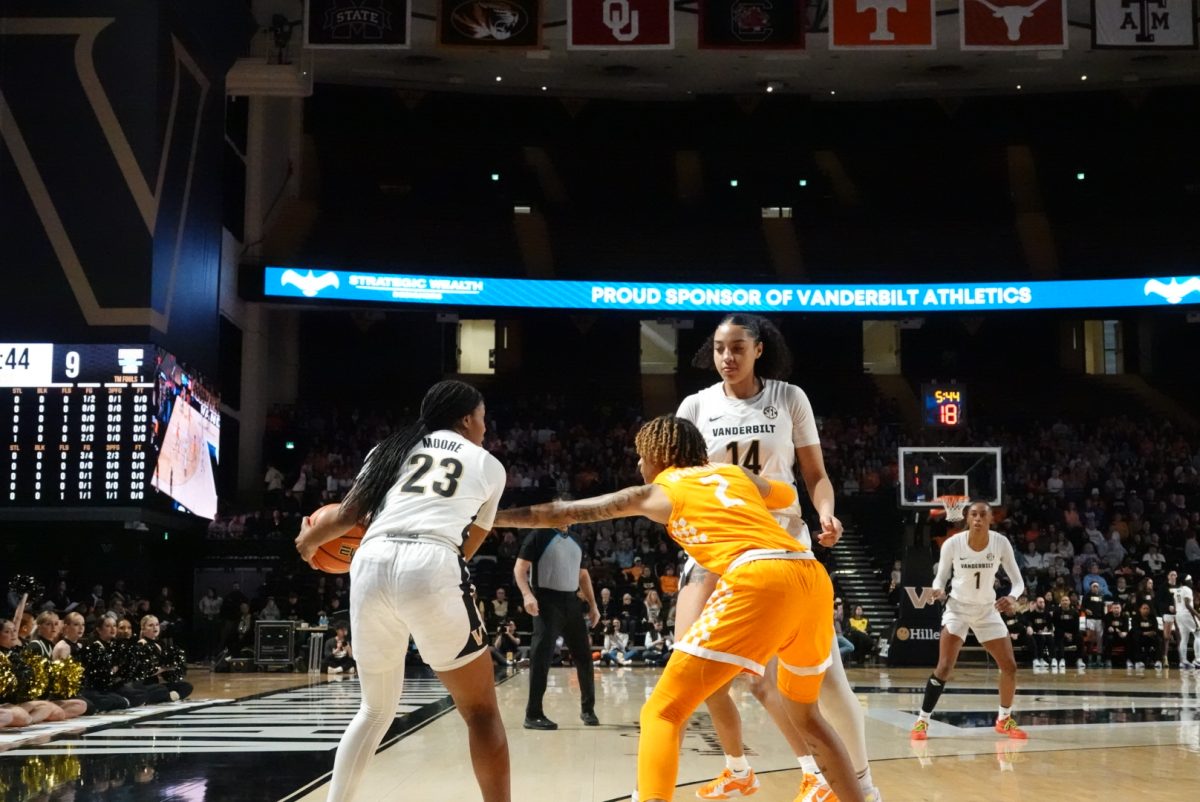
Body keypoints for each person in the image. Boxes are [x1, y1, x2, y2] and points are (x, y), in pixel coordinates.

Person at [494, 415, 864, 802]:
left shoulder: (658, 491)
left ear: (659, 455)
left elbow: (563, 512)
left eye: (641, 457)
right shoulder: (734, 474)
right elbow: (787, 496)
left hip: (759, 576)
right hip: (810, 575)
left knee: (663, 711)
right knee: (807, 716)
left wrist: (494, 518)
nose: (639, 465)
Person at [675, 313, 878, 802]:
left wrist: (826, 513)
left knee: (822, 682)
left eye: (738, 348)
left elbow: (816, 475)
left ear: (759, 349)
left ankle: (856, 785)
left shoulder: (789, 397)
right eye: (721, 348)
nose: (728, 357)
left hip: (781, 548)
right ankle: (739, 768)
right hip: (717, 549)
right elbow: (678, 478)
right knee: (691, 664)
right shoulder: (695, 405)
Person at [295, 380, 510, 802]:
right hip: (432, 561)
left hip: (371, 559)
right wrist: (434, 587)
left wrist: (307, 543)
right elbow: (471, 540)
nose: (485, 429)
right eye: (483, 419)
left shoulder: (387, 450)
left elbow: (347, 515)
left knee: (374, 710)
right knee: (481, 712)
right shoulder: (488, 464)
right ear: (467, 419)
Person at [911, 500, 1028, 742]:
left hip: (988, 610)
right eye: (973, 514)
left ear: (990, 519)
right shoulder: (953, 544)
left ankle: (1004, 719)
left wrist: (1012, 597)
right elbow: (940, 577)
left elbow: (1018, 582)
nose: (977, 519)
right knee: (944, 667)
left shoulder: (1000, 543)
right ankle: (922, 721)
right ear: (967, 518)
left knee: (1010, 666)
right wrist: (938, 590)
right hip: (958, 609)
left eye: (982, 515)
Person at [513, 518, 600, 729]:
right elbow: (520, 568)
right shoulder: (539, 534)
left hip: (571, 602)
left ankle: (588, 710)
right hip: (546, 601)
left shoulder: (576, 539)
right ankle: (533, 714)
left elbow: (583, 575)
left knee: (584, 658)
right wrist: (527, 595)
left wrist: (593, 605)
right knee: (541, 658)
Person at [1171, 575, 1198, 669]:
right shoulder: (1187, 590)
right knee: (1198, 634)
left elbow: (1175, 607)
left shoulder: (1176, 591)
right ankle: (1198, 660)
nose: (1192, 582)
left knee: (1184, 638)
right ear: (1186, 582)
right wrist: (1197, 615)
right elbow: (1187, 604)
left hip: (1178, 614)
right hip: (1187, 614)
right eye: (1190, 580)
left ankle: (1183, 661)